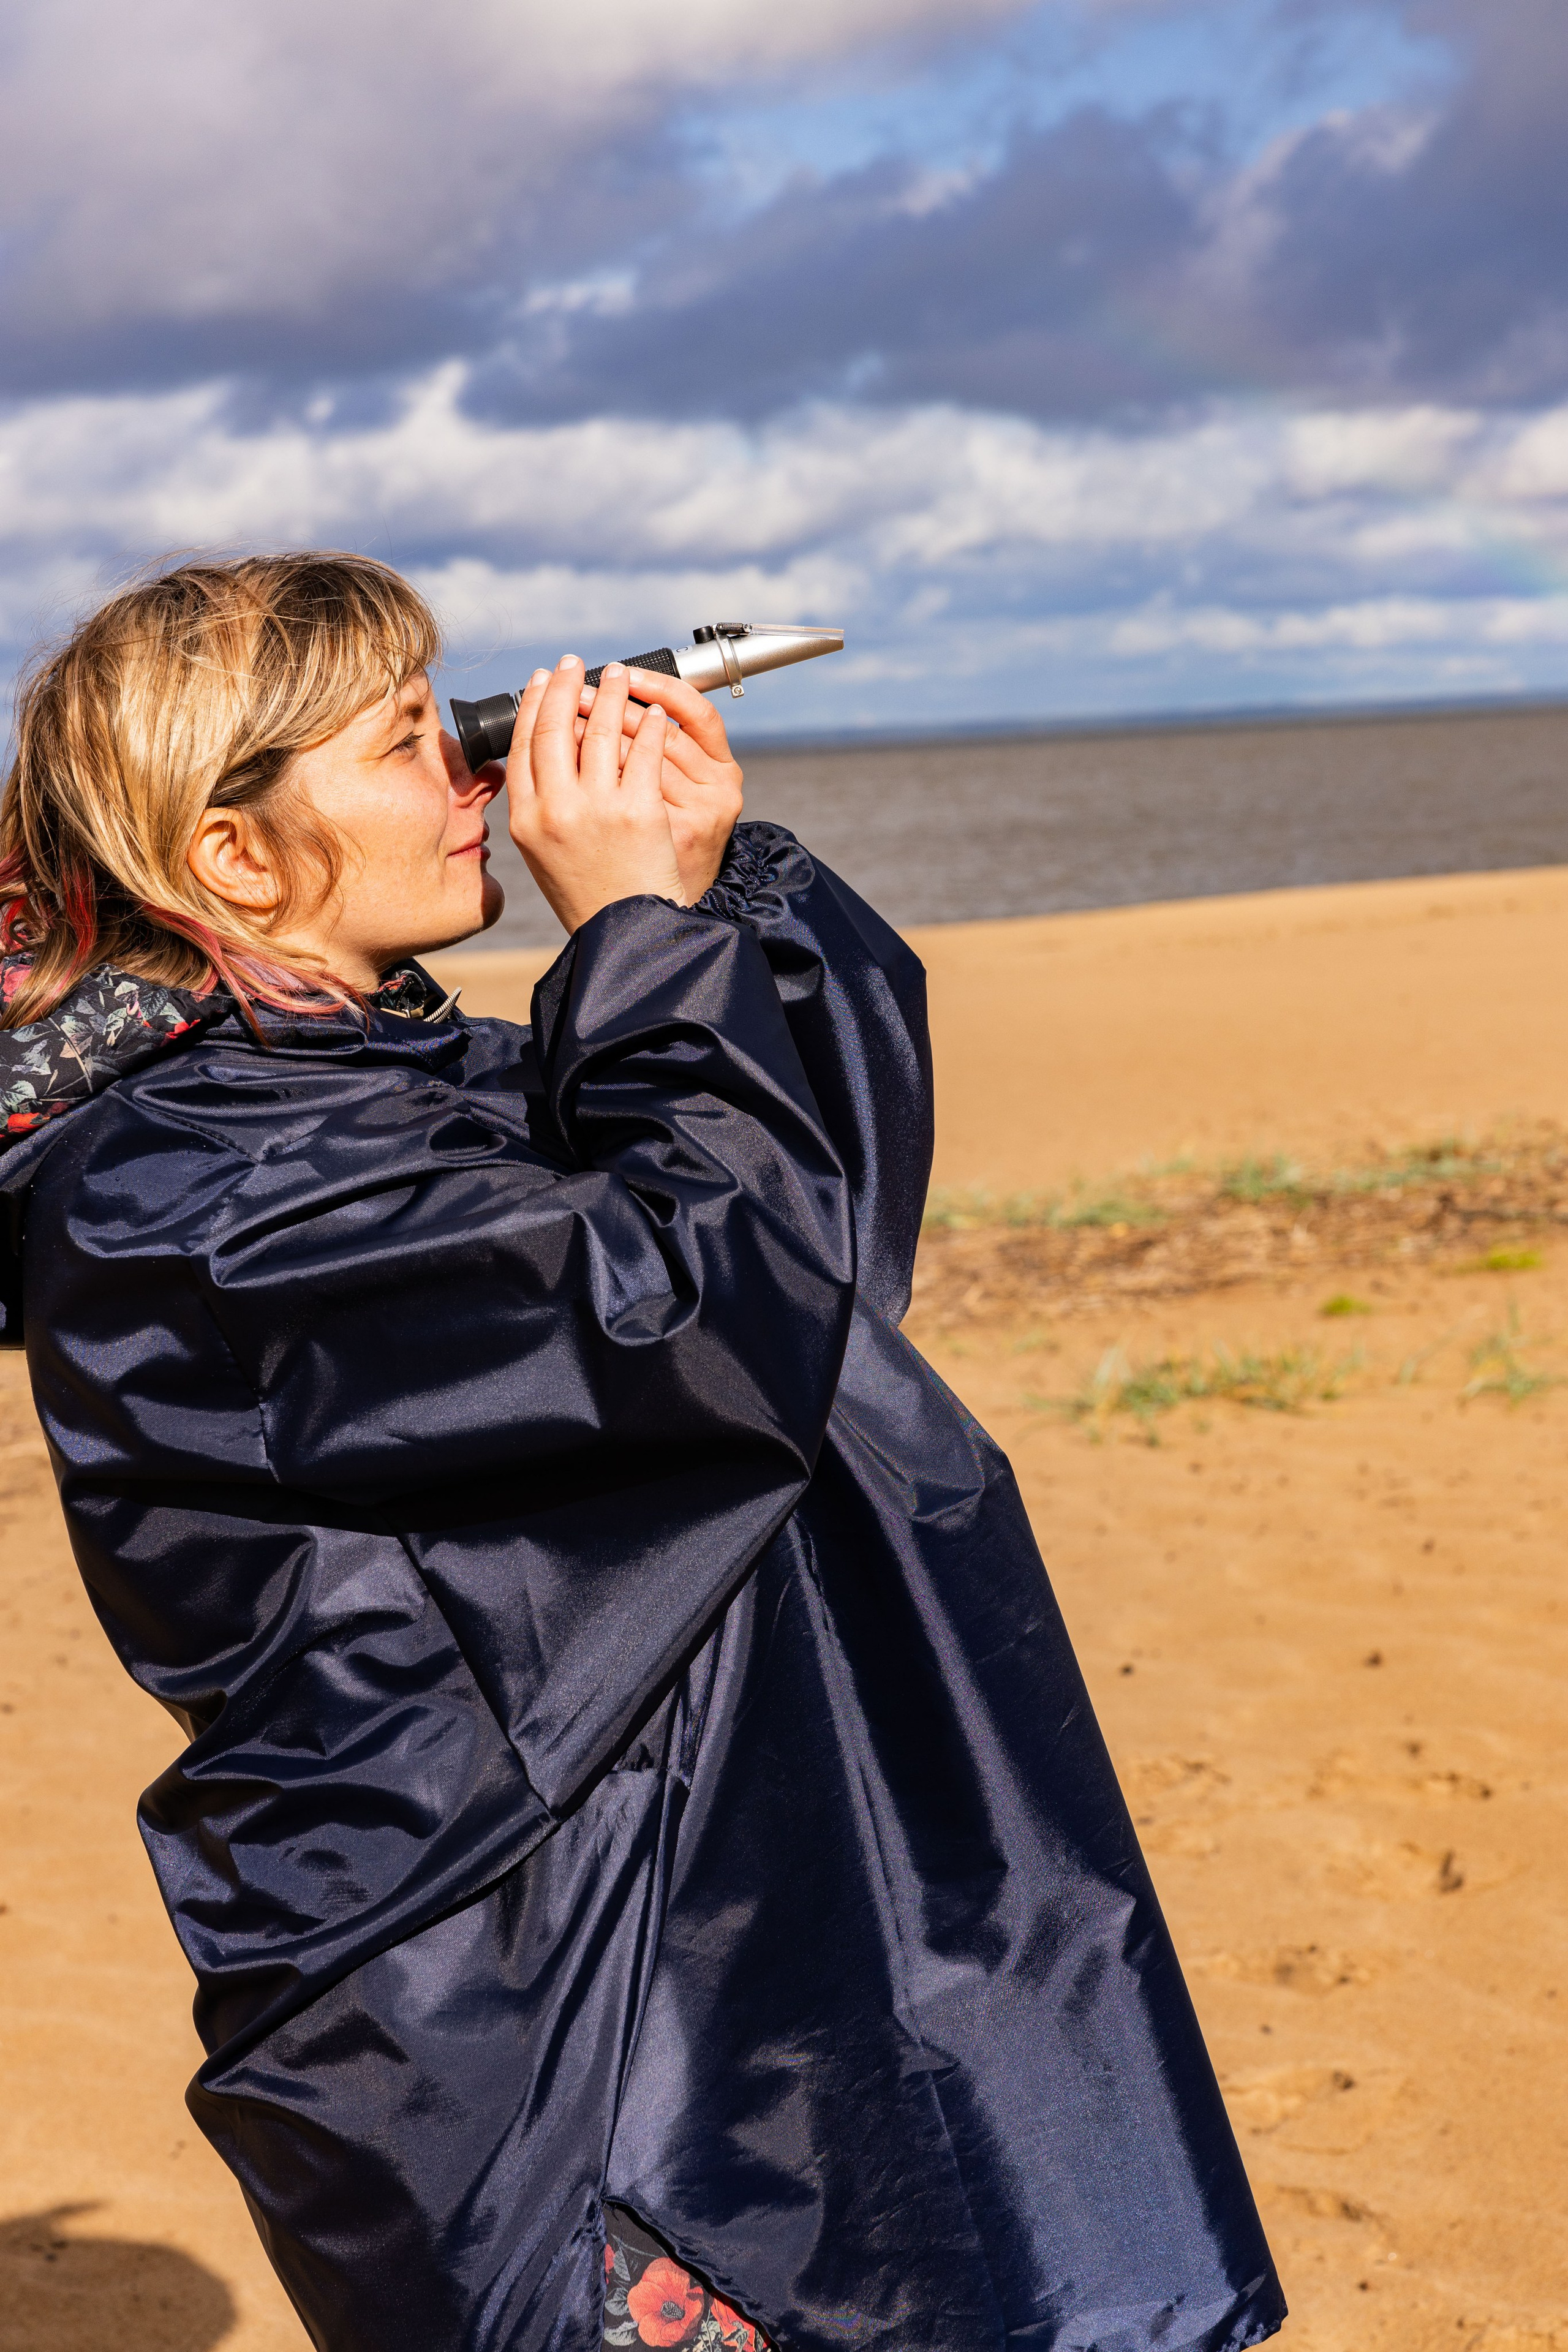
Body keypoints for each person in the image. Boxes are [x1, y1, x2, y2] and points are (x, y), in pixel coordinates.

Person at [0, 553, 1285, 2352]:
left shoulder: (371, 1087)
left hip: (709, 1918)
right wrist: (627, 936)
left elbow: (814, 1230)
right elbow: (687, 1299)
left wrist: (709, 899)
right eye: (407, 745)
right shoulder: (196, 1199)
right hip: (536, 2015)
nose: (475, 772)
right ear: (233, 857)